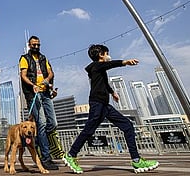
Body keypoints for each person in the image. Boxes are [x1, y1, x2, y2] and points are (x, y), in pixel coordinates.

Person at [62, 44, 159, 174]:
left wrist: (112, 92)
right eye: (107, 53)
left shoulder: (99, 70)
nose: (108, 56)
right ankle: (71, 155)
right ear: (101, 54)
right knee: (89, 130)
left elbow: (104, 83)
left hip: (105, 105)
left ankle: (136, 160)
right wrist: (125, 62)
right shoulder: (96, 66)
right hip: (97, 103)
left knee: (128, 125)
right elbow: (110, 64)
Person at [19, 35, 62, 171]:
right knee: (41, 123)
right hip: (33, 94)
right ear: (29, 45)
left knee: (53, 123)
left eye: (38, 45)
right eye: (33, 45)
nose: (36, 47)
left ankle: (37, 141)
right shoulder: (25, 58)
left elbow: (50, 73)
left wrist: (48, 84)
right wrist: (33, 85)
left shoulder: (44, 58)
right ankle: (45, 157)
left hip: (45, 93)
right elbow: (23, 76)